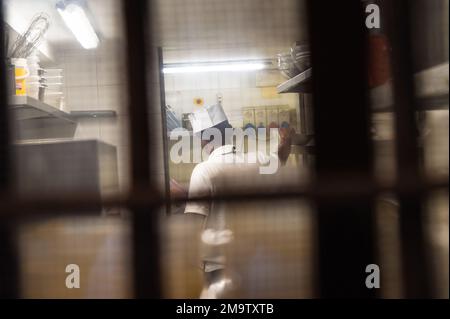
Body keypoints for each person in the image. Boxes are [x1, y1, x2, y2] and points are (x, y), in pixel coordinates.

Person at [184, 103, 294, 298]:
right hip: (253, 265)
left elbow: (192, 227)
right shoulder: (259, 161)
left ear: (206, 138)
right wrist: (287, 140)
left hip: (217, 269)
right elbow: (281, 157)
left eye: (199, 138)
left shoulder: (203, 170)